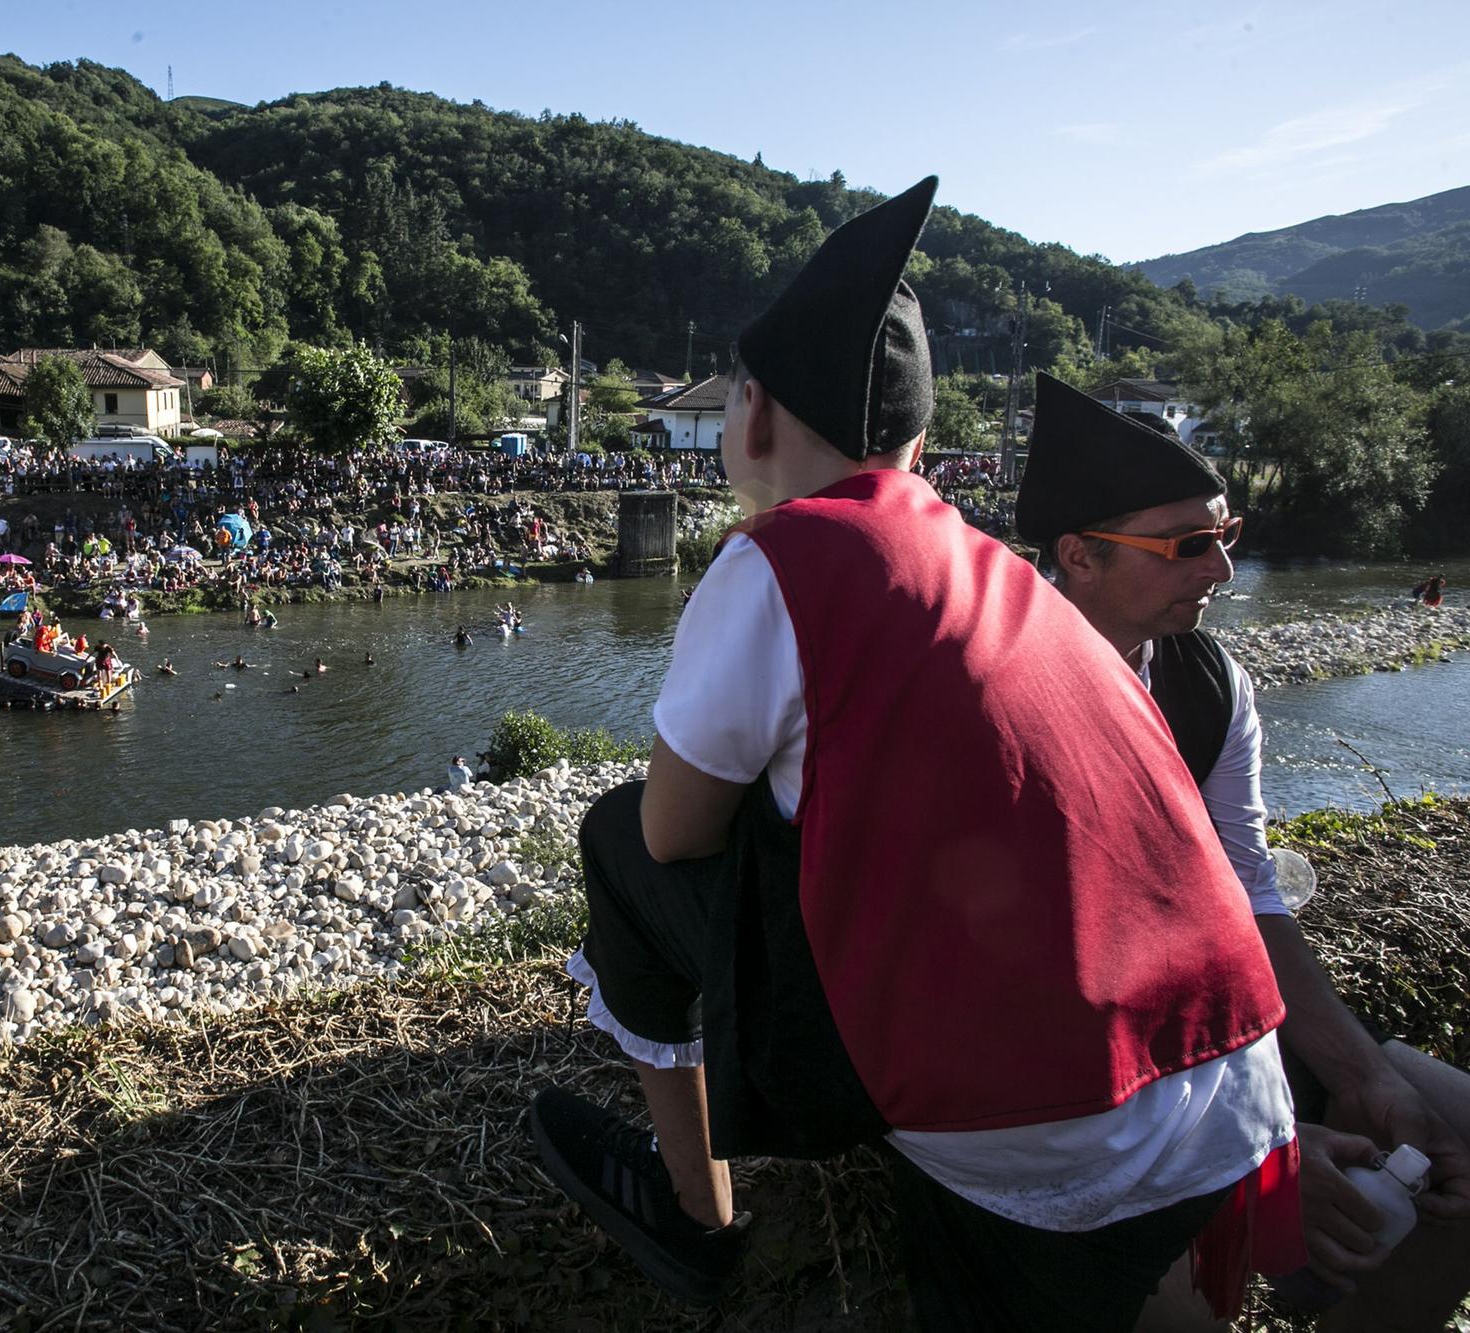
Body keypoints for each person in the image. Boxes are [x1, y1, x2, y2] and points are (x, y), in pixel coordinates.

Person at [535, 178, 1300, 1329]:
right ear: (921, 443)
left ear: (746, 419)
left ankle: (696, 1215)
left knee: (612, 829)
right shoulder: (1002, 573)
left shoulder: (784, 555)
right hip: (1232, 1085)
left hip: (1054, 1126)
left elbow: (672, 835)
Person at [1017, 375, 1470, 1330]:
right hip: (1073, 1074)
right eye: (1189, 546)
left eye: (1229, 536)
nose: (1222, 572)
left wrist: (1359, 1071)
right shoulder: (1000, 693)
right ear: (1077, 555)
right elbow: (1039, 979)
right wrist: (1253, 1140)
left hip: (1207, 1029)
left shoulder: (1208, 683)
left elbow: (1247, 893)